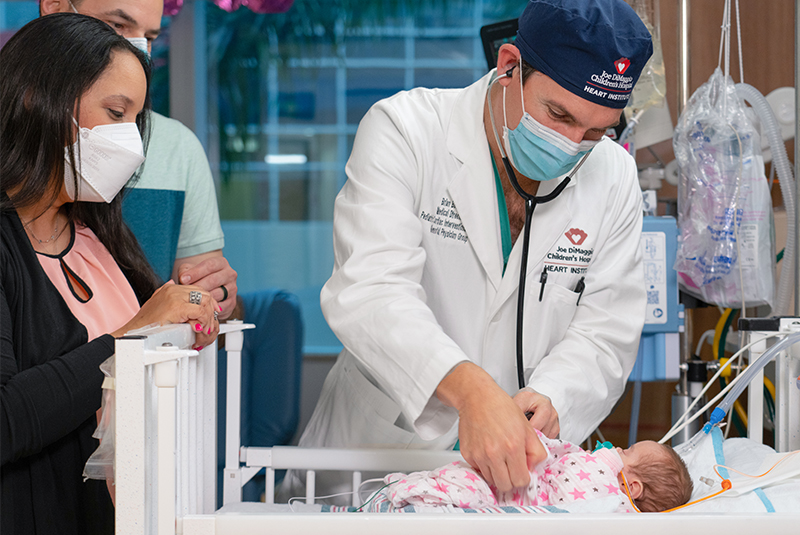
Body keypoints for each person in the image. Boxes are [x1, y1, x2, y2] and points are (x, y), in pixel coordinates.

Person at [283, 0, 653, 502]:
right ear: (508, 67)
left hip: (516, 474)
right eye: (558, 114)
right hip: (376, 453)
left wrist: (554, 397)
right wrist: (470, 391)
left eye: (593, 132)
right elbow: (370, 290)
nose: (570, 145)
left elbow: (606, 333)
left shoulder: (613, 175)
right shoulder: (406, 130)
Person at [0, 14, 220, 534]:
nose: (132, 143)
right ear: (38, 97)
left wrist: (183, 323)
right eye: (115, 113)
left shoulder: (101, 239)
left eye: (135, 121)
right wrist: (133, 336)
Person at [40, 0, 239, 320]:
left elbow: (207, 309)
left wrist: (217, 298)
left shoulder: (178, 148)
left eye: (148, 37)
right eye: (117, 26)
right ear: (55, 6)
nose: (135, 49)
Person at [384, 435, 693, 513]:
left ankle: (408, 499)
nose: (616, 450)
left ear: (633, 487)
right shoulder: (606, 492)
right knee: (463, 481)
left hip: (509, 492)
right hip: (509, 488)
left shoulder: (606, 495)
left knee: (465, 488)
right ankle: (408, 495)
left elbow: (569, 477)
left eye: (626, 451)